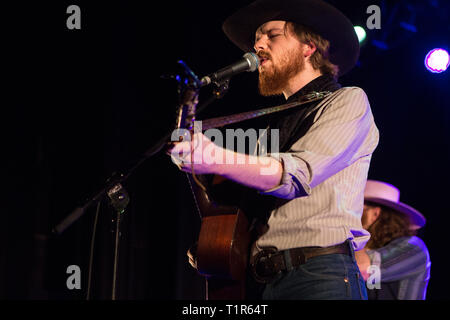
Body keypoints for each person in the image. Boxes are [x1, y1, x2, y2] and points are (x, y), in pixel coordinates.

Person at [170, 0, 379, 299]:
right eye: (257, 38)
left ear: (308, 47)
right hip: (266, 282)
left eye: (272, 34)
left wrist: (214, 157)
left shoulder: (348, 101)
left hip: (320, 274)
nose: (258, 44)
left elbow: (297, 174)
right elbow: (249, 204)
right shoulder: (271, 128)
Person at [355, 180, 431, 300]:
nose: (352, 216)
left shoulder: (412, 248)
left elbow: (362, 269)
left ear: (374, 214)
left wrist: (358, 231)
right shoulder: (369, 249)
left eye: (358, 209)